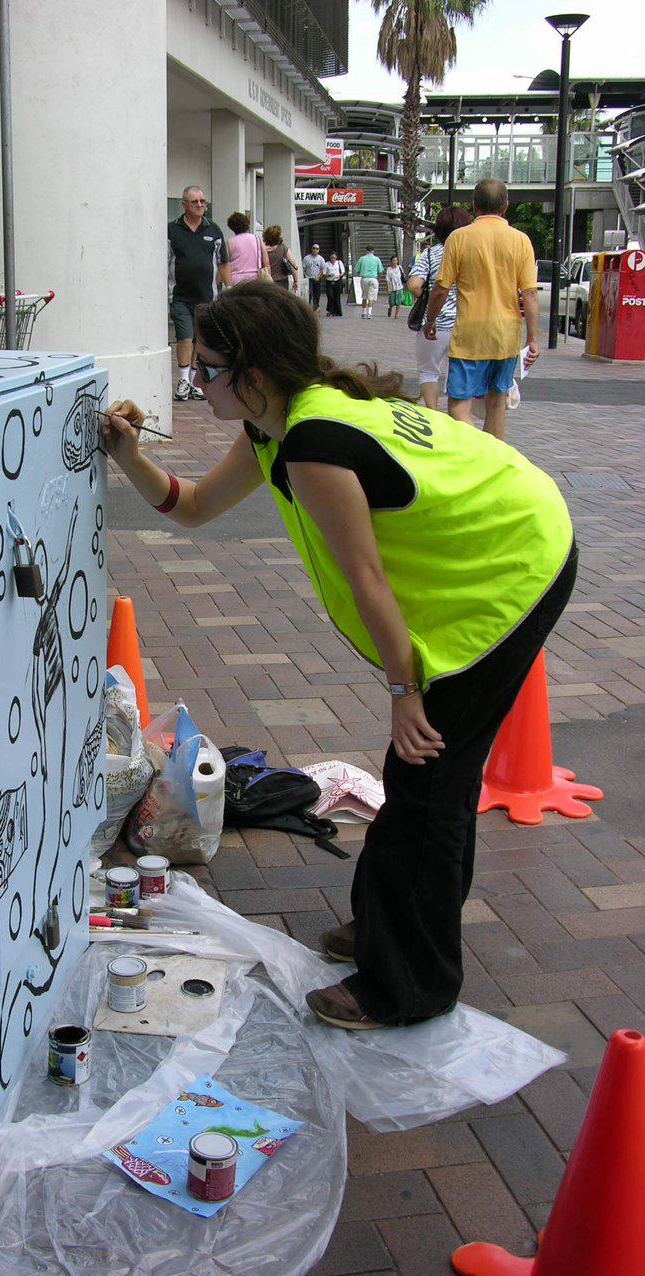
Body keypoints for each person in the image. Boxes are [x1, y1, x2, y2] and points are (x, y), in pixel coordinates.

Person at [101, 283, 575, 1031]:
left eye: (209, 368)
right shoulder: (275, 423)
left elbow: (368, 580)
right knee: (428, 782)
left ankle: (407, 984)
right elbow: (191, 507)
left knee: (425, 785)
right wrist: (128, 455)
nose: (199, 380)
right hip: (498, 546)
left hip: (517, 567)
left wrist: (405, 688)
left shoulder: (313, 443)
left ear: (253, 375)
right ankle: (395, 926)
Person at [423, 179, 538, 439]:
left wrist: (430, 321)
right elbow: (529, 293)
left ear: (474, 205)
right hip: (506, 335)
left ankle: (475, 452)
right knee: (497, 402)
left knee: (458, 405)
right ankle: (492, 462)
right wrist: (533, 340)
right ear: (506, 206)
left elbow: (441, 289)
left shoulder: (459, 238)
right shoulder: (521, 241)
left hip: (469, 336)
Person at [168, 185, 232, 402]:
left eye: (203, 201)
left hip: (205, 298)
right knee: (184, 338)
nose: (199, 205)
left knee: (198, 340)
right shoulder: (172, 230)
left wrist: (229, 290)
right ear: (184, 204)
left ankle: (195, 382)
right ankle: (183, 380)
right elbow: (164, 261)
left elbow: (223, 263)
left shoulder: (213, 230)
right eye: (194, 202)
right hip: (179, 296)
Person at [406, 207, 471, 409]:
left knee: (428, 372)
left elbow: (414, 285)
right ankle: (460, 416)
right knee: (461, 372)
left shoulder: (430, 254)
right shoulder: (472, 253)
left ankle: (433, 414)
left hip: (434, 324)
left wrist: (425, 295)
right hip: (466, 324)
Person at [226, 211, 270, 287]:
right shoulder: (257, 239)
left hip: (236, 280)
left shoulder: (229, 243)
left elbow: (224, 264)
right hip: (255, 278)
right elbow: (266, 262)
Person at [263, 226, 299, 292]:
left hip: (266, 281)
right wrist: (296, 281)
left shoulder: (261, 249)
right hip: (282, 282)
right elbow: (293, 265)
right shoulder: (283, 248)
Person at [353, 244, 384, 318]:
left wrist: (361, 273)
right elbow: (380, 271)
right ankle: (369, 313)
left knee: (364, 296)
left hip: (364, 279)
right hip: (373, 278)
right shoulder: (377, 259)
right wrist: (378, 279)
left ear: (366, 250)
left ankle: (363, 312)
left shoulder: (362, 258)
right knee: (371, 297)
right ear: (373, 251)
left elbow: (356, 269)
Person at [302, 242, 327, 311]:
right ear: (311, 249)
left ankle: (316, 306)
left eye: (317, 249)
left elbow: (323, 269)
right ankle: (309, 306)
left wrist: (318, 276)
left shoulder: (321, 259)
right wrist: (304, 275)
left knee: (317, 293)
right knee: (310, 292)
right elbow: (303, 268)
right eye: (314, 248)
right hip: (309, 278)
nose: (315, 250)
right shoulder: (306, 258)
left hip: (317, 278)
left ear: (319, 250)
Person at [323, 251, 345, 316]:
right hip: (329, 281)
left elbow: (343, 271)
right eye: (332, 258)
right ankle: (330, 309)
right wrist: (329, 275)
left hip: (337, 280)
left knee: (337, 297)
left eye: (334, 258)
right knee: (330, 296)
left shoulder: (339, 263)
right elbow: (323, 274)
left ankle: (337, 311)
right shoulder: (326, 264)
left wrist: (340, 275)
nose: (333, 259)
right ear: (330, 258)